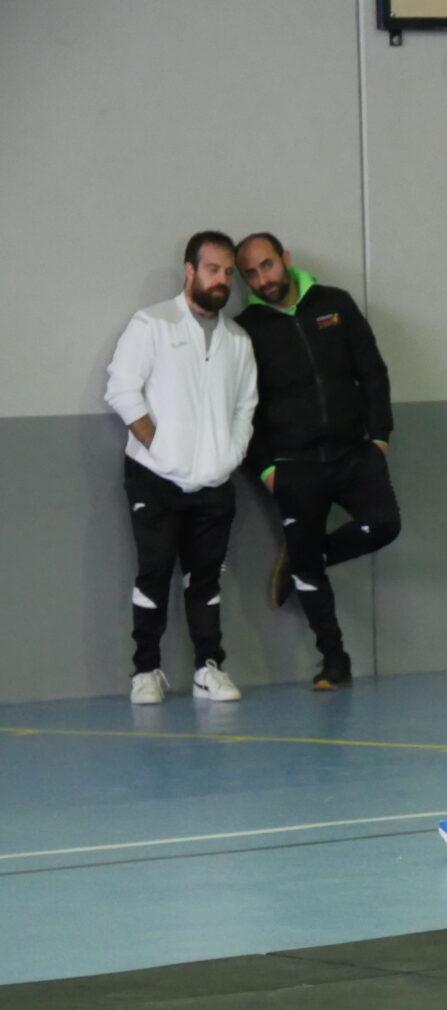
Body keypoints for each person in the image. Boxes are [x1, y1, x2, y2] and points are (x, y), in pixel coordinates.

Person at [234, 233, 399, 690]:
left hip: (353, 454)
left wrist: (379, 437)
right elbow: (241, 409)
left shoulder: (336, 305)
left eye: (267, 265)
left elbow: (372, 372)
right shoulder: (245, 329)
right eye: (250, 273)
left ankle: (305, 558)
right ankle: (334, 662)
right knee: (309, 574)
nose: (262, 279)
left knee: (384, 525)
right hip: (293, 466)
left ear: (285, 260)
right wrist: (266, 468)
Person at [105, 231, 257, 705]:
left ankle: (208, 669)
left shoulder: (237, 339)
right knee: (153, 572)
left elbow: (244, 409)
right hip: (154, 477)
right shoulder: (153, 323)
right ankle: (145, 670)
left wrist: (228, 458)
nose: (222, 280)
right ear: (190, 270)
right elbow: (122, 391)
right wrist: (162, 449)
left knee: (205, 579)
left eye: (228, 272)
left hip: (214, 483)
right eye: (212, 269)